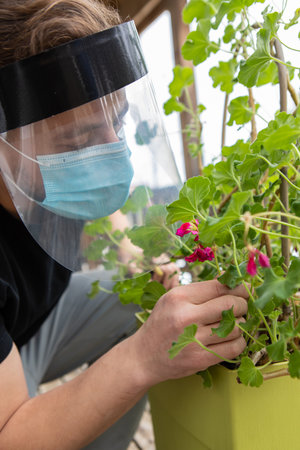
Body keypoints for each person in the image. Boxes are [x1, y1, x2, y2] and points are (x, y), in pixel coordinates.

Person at [0, 1, 248, 449]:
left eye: (117, 124)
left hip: (27, 334)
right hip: (8, 402)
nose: (111, 154)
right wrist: (143, 356)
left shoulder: (44, 176)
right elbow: (9, 436)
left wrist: (135, 254)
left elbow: (98, 193)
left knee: (140, 297)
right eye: (80, 141)